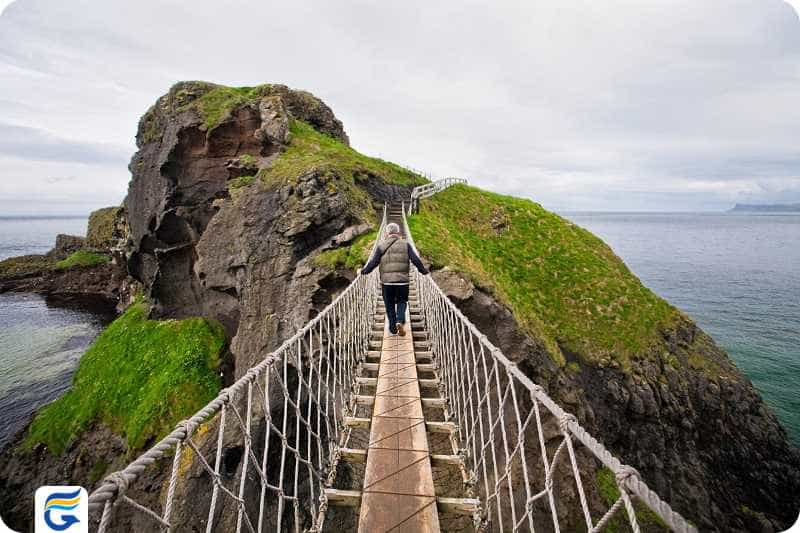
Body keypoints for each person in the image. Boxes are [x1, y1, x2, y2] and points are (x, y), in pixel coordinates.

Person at [360, 222, 429, 336]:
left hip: (386, 282)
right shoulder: (406, 245)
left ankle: (392, 329)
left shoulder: (381, 246)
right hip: (403, 281)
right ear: (398, 232)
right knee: (402, 301)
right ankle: (400, 320)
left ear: (387, 233)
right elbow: (416, 260)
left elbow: (374, 262)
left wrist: (363, 271)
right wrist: (424, 271)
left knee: (389, 305)